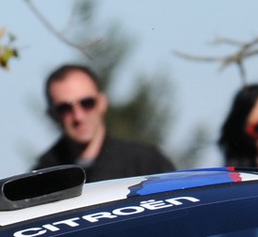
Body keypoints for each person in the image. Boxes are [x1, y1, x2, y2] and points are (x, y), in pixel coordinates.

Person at [32, 64, 175, 181]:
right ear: (52, 115)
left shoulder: (146, 164)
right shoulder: (42, 179)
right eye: (65, 108)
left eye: (87, 103)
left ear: (102, 103)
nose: (78, 116)